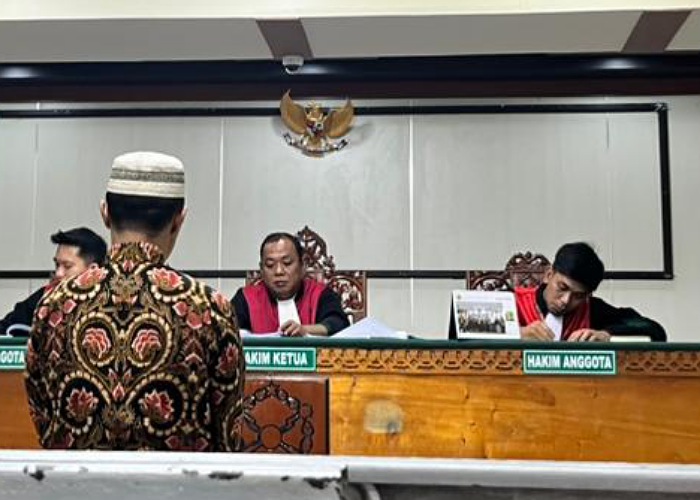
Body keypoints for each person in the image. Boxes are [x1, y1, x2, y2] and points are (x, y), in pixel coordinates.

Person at [25, 151, 244, 451]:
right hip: (180, 481)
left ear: (105, 213)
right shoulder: (209, 308)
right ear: (178, 221)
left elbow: (43, 417)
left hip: (75, 480)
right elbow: (227, 433)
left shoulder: (55, 305)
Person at [517, 242, 666, 342]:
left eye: (578, 296)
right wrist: (518, 333)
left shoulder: (591, 309)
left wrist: (607, 335)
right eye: (562, 288)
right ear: (549, 275)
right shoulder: (513, 301)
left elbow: (654, 331)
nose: (566, 301)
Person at [232, 232, 349, 336]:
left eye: (287, 263)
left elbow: (338, 323)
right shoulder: (246, 298)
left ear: (303, 265)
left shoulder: (319, 294)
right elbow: (229, 331)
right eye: (270, 265)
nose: (279, 271)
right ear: (261, 270)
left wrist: (305, 330)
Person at [0, 227, 107, 336]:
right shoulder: (45, 296)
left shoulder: (107, 305)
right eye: (57, 265)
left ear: (92, 270)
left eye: (67, 266)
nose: (58, 273)